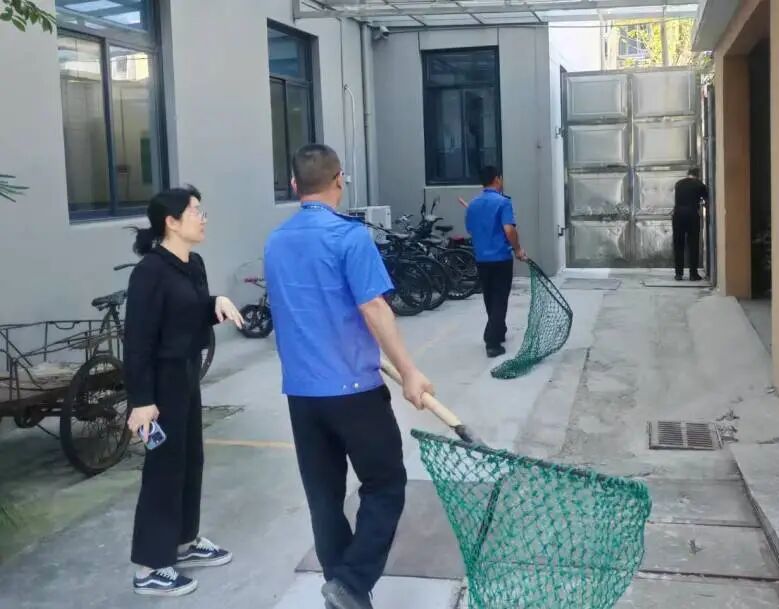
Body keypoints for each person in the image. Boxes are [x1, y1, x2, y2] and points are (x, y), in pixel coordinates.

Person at [264, 144, 433, 609]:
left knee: (324, 499)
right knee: (386, 484)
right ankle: (353, 583)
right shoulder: (350, 237)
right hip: (354, 391)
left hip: (302, 395)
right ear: (340, 179)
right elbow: (374, 307)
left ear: (295, 186)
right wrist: (410, 372)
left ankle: (342, 592)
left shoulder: (276, 242)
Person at [124, 185, 244, 597]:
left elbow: (189, 312)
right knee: (163, 469)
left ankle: (183, 542)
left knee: (190, 460)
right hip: (160, 382)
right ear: (171, 222)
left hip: (187, 374)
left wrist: (216, 303)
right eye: (195, 211)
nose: (203, 218)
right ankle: (150, 567)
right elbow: (137, 341)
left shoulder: (193, 263)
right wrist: (141, 401)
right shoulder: (150, 272)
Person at [464, 166, 527, 358]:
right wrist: (518, 249)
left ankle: (499, 330)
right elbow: (509, 229)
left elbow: (470, 229)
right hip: (500, 259)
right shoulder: (503, 202)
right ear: (497, 179)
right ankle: (492, 342)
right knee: (500, 298)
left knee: (490, 298)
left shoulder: (473, 205)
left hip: (482, 259)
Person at [672, 167, 709, 281]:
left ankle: (678, 274)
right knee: (693, 244)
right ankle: (693, 274)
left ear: (688, 174)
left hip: (678, 214)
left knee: (678, 244)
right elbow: (706, 200)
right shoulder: (699, 185)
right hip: (692, 215)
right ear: (698, 175)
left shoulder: (678, 184)